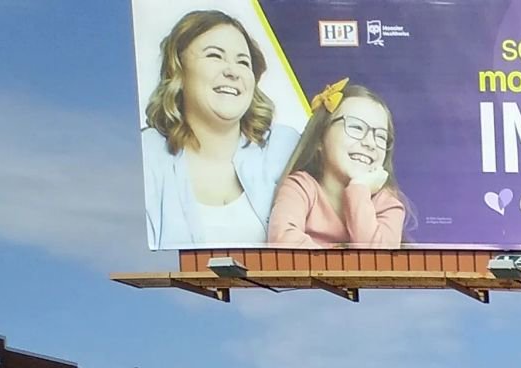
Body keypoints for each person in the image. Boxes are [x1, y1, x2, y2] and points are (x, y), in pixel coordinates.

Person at [139, 10, 299, 250]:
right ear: (177, 71)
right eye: (215, 56)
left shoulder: (284, 147)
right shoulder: (147, 154)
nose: (232, 72)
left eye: (243, 62)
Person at [266, 81, 408, 248]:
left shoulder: (387, 203)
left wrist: (359, 190)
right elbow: (283, 243)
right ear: (320, 137)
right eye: (356, 127)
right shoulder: (300, 187)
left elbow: (381, 261)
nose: (370, 143)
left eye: (381, 136)